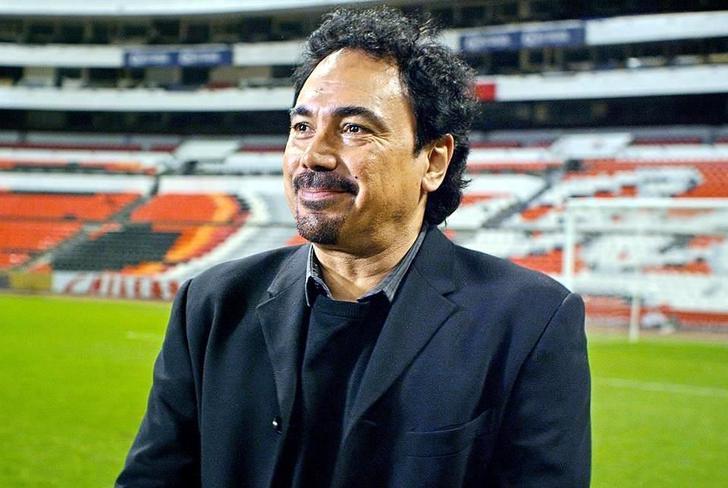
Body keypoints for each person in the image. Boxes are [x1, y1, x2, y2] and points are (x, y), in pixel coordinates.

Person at [117, 7, 590, 487]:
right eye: (301, 127)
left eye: (353, 129)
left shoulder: (529, 322)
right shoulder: (211, 305)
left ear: (433, 160)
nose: (314, 155)